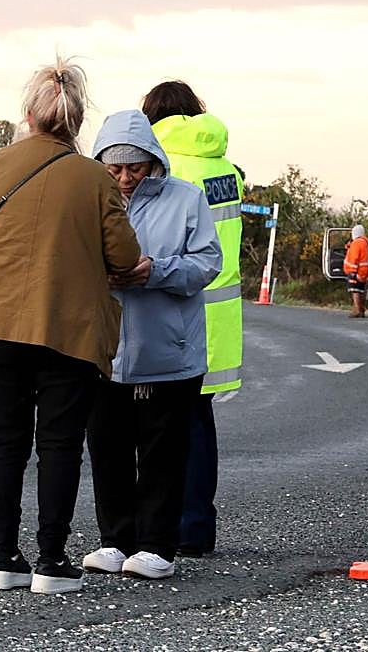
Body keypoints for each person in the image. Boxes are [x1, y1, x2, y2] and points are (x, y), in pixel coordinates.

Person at [0, 59, 142, 595]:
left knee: (5, 442)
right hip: (68, 329)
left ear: (30, 114)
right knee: (59, 445)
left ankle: (3, 559)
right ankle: (52, 561)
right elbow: (125, 256)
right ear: (76, 122)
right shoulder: (95, 178)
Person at [81, 111, 222, 581]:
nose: (124, 178)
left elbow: (207, 263)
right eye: (114, 168)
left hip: (169, 350)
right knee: (107, 449)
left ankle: (157, 544)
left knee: (163, 453)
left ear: (154, 162)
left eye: (135, 167)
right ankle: (114, 540)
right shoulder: (85, 199)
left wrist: (153, 270)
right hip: (104, 349)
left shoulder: (187, 199)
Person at [141, 81, 243, 557]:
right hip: (222, 314)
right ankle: (198, 525)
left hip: (180, 308)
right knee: (199, 423)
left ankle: (172, 527)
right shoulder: (225, 167)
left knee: (167, 427)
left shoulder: (168, 166)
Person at [344, 224, 368, 317]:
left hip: (357, 270)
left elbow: (354, 258)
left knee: (355, 290)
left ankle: (357, 309)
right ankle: (362, 309)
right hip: (365, 271)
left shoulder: (356, 243)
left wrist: (352, 271)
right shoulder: (365, 242)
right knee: (362, 290)